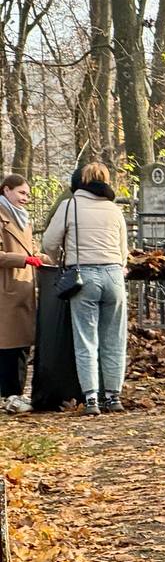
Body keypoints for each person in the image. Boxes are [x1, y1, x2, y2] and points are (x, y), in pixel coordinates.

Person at [42, 163, 130, 415]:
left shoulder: (69, 206)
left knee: (86, 339)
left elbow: (49, 242)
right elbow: (124, 250)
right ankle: (114, 396)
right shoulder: (114, 209)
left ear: (81, 181)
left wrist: (61, 258)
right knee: (114, 338)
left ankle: (91, 398)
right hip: (114, 275)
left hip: (84, 275)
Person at [0, 174, 51, 413]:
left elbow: (29, 247)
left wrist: (38, 255)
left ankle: (15, 394)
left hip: (24, 287)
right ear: (6, 190)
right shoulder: (2, 217)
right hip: (6, 287)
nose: (26, 198)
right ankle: (10, 394)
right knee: (10, 345)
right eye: (21, 193)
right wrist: (24, 259)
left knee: (20, 344)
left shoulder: (23, 219)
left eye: (28, 194)